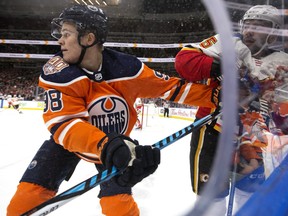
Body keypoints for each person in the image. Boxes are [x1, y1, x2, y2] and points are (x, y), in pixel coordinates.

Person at [6, 5, 221, 216]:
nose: (59, 40)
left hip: (114, 143)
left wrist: (217, 97)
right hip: (75, 144)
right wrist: (106, 146)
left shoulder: (127, 68)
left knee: (119, 208)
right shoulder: (58, 73)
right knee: (23, 203)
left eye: (66, 34)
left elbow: (171, 89)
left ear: (88, 39)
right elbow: (66, 126)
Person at [174, 4, 288, 215]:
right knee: (212, 201)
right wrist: (220, 66)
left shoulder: (282, 62)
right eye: (248, 25)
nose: (249, 31)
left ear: (273, 35)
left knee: (248, 197)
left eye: (259, 26)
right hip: (213, 132)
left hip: (254, 139)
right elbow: (183, 60)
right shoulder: (228, 42)